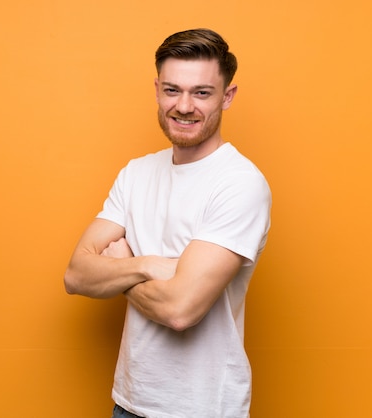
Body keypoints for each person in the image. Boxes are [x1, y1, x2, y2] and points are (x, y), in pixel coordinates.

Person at [64, 28, 271, 418]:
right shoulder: (136, 173)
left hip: (203, 408)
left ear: (227, 96)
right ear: (157, 89)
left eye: (202, 93)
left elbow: (180, 310)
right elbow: (76, 275)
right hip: (129, 402)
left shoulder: (239, 183)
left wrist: (119, 266)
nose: (185, 106)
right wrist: (145, 264)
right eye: (172, 90)